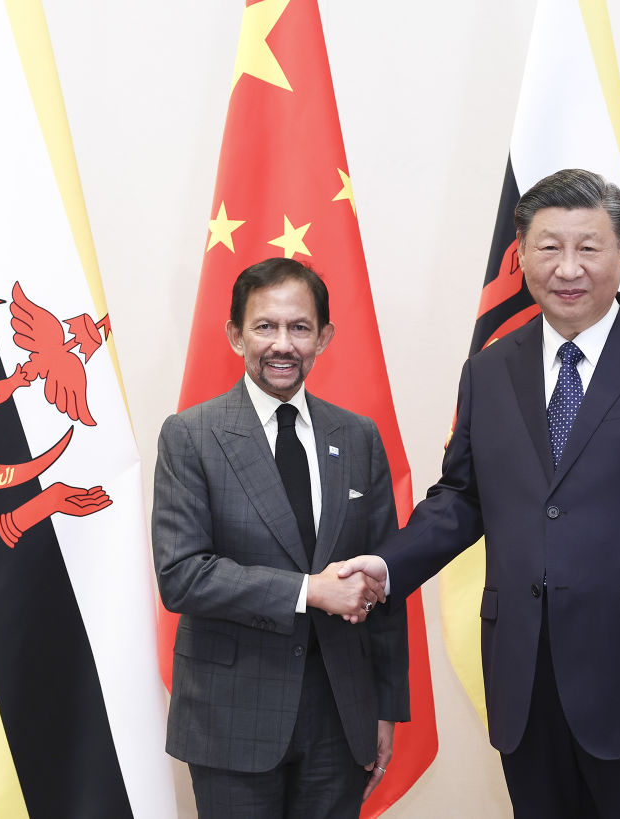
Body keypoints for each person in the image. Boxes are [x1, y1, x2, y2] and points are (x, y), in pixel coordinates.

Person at [341, 169, 620, 818]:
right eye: (548, 247)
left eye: (588, 247)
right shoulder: (489, 370)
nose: (569, 268)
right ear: (521, 254)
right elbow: (463, 497)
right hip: (528, 682)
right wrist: (387, 564)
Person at [152, 257, 409, 818]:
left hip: (341, 714)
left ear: (324, 337)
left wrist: (385, 708)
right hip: (231, 714)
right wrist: (309, 590)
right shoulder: (191, 436)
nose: (283, 345)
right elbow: (181, 576)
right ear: (235, 335)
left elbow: (386, 578)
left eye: (300, 327)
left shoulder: (358, 437)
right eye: (265, 326)